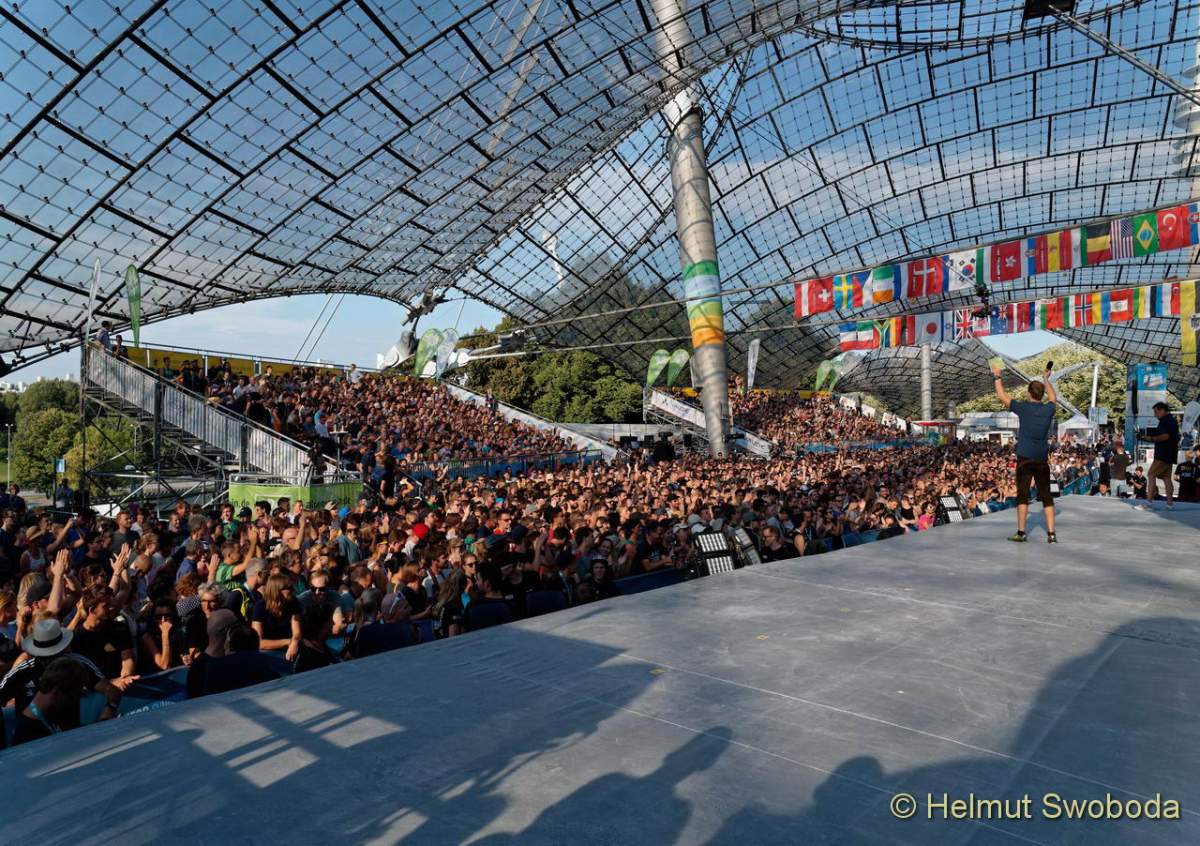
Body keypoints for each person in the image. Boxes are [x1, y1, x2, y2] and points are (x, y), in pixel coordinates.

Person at [991, 361, 1058, 543]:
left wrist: (997, 375)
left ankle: (1021, 533)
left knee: (1022, 496)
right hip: (1041, 459)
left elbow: (1001, 395)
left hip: (1025, 459)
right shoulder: (1048, 409)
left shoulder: (1023, 408)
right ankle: (1051, 534)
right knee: (1046, 496)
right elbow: (1053, 397)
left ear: (1029, 393)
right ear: (1042, 394)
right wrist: (1046, 378)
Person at [1140, 402, 1180, 509]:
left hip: (1163, 454)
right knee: (1166, 478)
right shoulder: (1172, 420)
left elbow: (1165, 436)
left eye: (1156, 412)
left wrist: (1152, 438)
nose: (1155, 415)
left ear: (1162, 410)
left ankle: (1148, 502)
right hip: (1170, 454)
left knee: (1151, 474)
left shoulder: (1165, 421)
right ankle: (1170, 504)